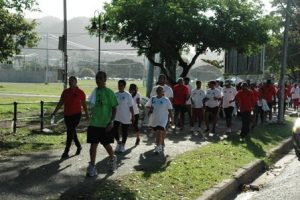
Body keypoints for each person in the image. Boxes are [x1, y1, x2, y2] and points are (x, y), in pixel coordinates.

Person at [86, 71, 118, 177]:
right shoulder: (94, 92)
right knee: (93, 146)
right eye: (97, 78)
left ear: (105, 80)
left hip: (105, 124)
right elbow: (91, 106)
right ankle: (92, 166)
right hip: (94, 123)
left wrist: (111, 121)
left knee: (107, 145)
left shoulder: (109, 93)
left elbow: (114, 108)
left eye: (100, 78)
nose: (98, 80)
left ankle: (112, 158)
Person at [51, 76, 89, 159]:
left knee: (70, 131)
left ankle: (66, 151)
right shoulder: (65, 92)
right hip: (67, 115)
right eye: (69, 81)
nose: (70, 82)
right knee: (72, 131)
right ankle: (79, 146)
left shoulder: (80, 92)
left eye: (72, 80)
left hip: (76, 115)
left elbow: (84, 105)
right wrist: (54, 112)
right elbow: (60, 102)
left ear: (76, 82)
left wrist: (86, 115)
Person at [146, 86, 173, 154]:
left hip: (163, 119)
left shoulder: (166, 100)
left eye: (160, 91)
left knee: (159, 131)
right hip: (155, 119)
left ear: (163, 92)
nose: (158, 92)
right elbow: (147, 105)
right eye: (157, 91)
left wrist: (171, 119)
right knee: (158, 132)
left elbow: (170, 110)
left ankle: (158, 146)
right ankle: (161, 142)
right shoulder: (153, 99)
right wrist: (150, 109)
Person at [113, 80, 134, 153]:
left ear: (124, 86)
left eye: (121, 85)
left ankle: (123, 145)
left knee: (124, 131)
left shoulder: (128, 95)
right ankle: (118, 143)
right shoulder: (115, 94)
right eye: (119, 85)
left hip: (125, 116)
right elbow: (112, 105)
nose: (120, 86)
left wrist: (133, 116)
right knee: (114, 130)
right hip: (116, 116)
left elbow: (131, 106)